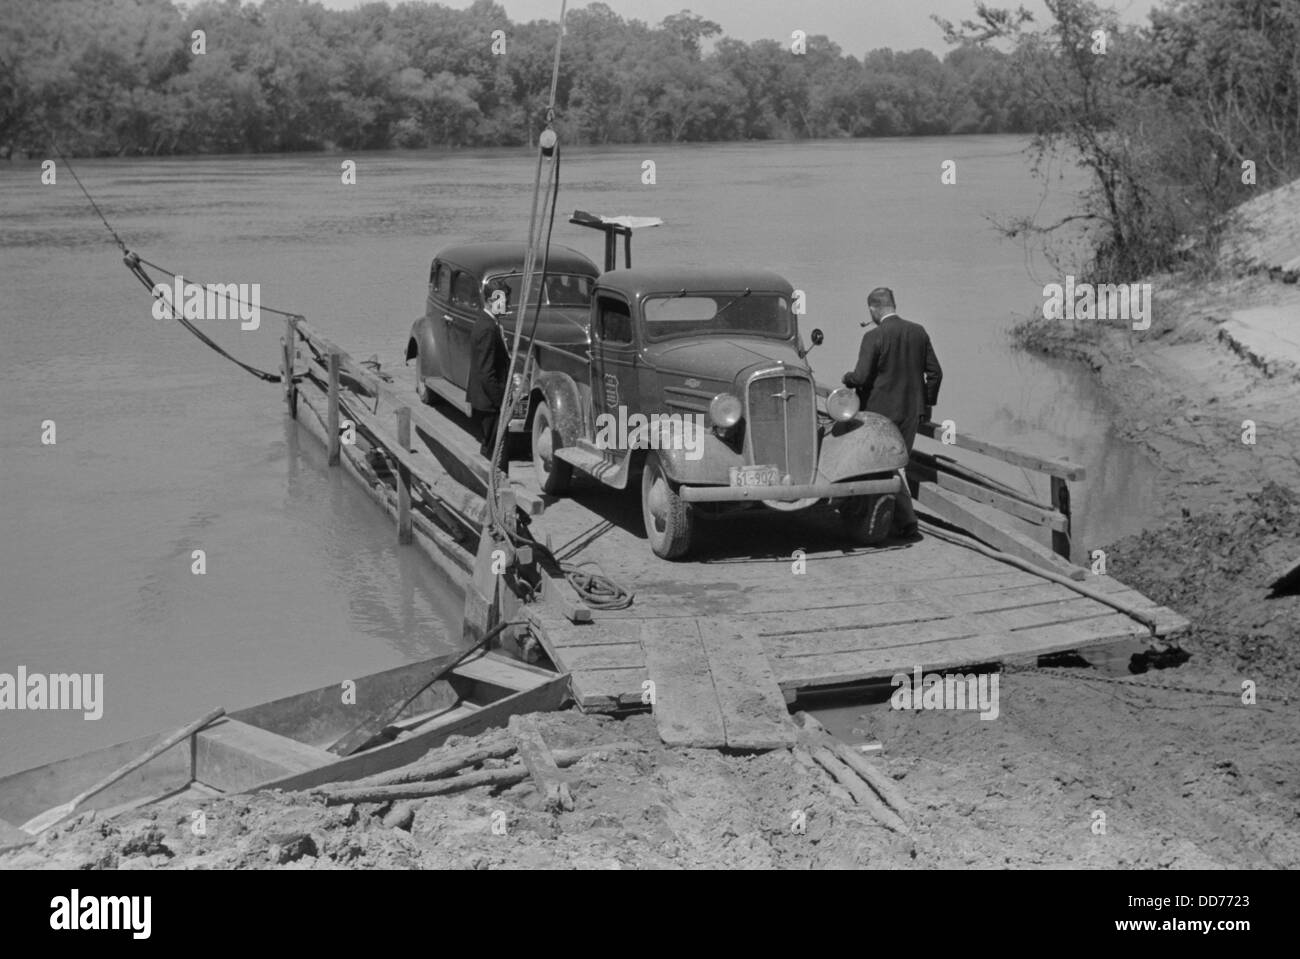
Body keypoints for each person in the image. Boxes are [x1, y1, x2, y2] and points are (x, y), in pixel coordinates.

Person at [842, 287, 943, 538]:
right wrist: (926, 404)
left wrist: (848, 378)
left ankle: (903, 522)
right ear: (893, 305)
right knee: (898, 463)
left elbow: (862, 376)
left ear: (873, 309)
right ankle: (900, 520)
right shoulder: (918, 332)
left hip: (879, 414)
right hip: (911, 412)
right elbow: (935, 373)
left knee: (881, 466)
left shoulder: (873, 336)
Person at [467, 281, 512, 471]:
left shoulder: (488, 323)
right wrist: (501, 401)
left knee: (491, 447)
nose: (506, 305)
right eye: (502, 301)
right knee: (496, 452)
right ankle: (495, 491)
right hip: (490, 402)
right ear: (489, 300)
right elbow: (487, 372)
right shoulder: (487, 328)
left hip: (485, 399)